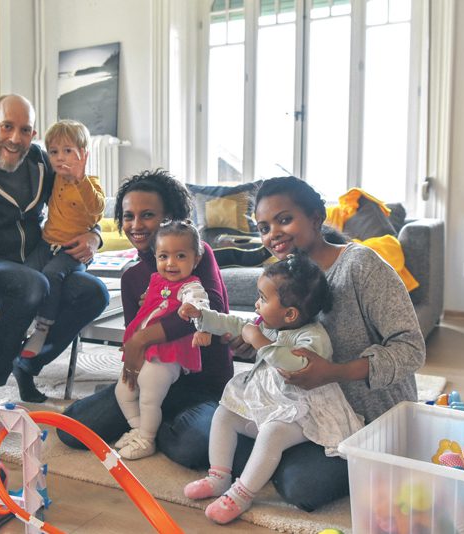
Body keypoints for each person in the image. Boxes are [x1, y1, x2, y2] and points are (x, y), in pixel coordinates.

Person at [210, 176, 426, 512]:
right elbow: (286, 340)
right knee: (209, 431)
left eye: (284, 220)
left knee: (303, 487)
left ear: (315, 217)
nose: (272, 234)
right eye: (264, 227)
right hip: (299, 410)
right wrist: (253, 346)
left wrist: (335, 372)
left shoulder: (361, 267)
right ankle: (262, 460)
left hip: (366, 417)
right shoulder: (281, 274)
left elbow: (411, 349)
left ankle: (266, 462)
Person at [0, 94, 108, 404]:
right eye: (7, 127)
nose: (15, 139)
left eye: (25, 130)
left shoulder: (41, 162)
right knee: (32, 284)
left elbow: (73, 202)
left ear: (34, 135)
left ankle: (27, 364)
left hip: (38, 256)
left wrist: (94, 235)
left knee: (94, 292)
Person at [57, 170, 233, 463]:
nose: (136, 225)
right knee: (71, 429)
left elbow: (210, 311)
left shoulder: (197, 255)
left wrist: (143, 337)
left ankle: (149, 428)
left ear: (171, 217)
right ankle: (149, 423)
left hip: (202, 385)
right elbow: (134, 338)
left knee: (193, 447)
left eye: (147, 215)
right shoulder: (133, 277)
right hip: (152, 378)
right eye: (128, 216)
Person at [179, 253, 364, 523]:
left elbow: (293, 365)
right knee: (225, 414)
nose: (256, 304)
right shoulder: (267, 324)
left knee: (272, 433)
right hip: (272, 402)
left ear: (290, 313)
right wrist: (203, 317)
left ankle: (241, 495)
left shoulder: (313, 337)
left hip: (304, 411)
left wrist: (260, 341)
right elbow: (233, 323)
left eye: (263, 299)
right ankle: (218, 476)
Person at [114, 221, 211, 460]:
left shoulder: (191, 285)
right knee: (123, 390)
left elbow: (200, 302)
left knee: (148, 393)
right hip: (146, 350)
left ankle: (147, 440)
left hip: (169, 354)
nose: (171, 263)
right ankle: (139, 428)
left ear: (196, 259)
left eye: (180, 256)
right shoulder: (156, 279)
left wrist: (194, 307)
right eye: (164, 256)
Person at [20, 119, 105, 358]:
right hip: (47, 243)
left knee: (51, 275)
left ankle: (43, 328)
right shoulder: (54, 177)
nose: (60, 158)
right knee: (28, 273)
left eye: (68, 151)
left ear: (83, 155)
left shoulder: (89, 183)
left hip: (72, 250)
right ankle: (24, 324)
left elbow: (97, 209)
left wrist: (80, 178)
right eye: (54, 152)